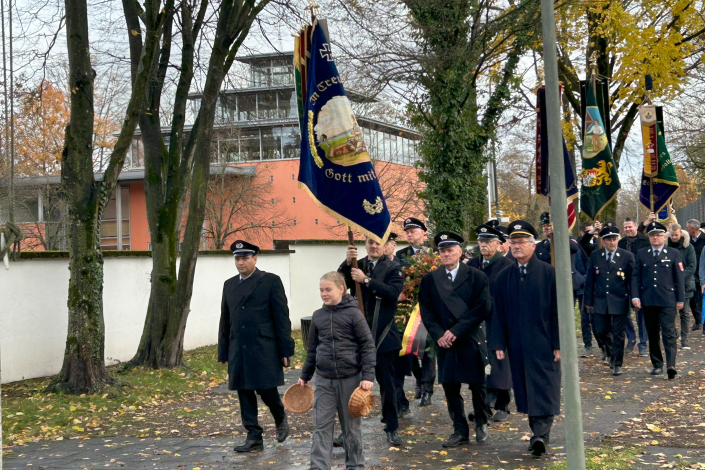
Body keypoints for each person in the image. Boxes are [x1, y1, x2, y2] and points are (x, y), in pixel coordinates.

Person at [489, 220, 561, 458]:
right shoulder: (504, 276)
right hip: (517, 343)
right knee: (526, 388)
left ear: (533, 245)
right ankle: (538, 433)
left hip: (545, 342)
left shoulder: (550, 273)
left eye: (521, 242)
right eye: (513, 242)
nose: (516, 246)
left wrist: (559, 344)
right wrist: (498, 343)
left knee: (544, 386)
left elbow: (558, 311)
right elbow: (497, 313)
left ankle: (540, 435)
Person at [218, 240, 296, 453]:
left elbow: (282, 317)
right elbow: (225, 319)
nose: (240, 262)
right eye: (237, 258)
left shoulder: (270, 281)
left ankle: (280, 416)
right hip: (238, 347)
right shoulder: (229, 284)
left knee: (266, 389)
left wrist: (286, 349)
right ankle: (253, 436)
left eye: (244, 258)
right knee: (243, 392)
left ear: (254, 259)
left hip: (263, 346)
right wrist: (223, 350)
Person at [419, 231, 491, 447]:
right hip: (445, 342)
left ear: (460, 252)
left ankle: (481, 422)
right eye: (442, 251)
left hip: (469, 338)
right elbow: (427, 311)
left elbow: (482, 307)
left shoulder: (477, 276)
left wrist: (457, 330)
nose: (446, 254)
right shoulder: (430, 280)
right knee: (451, 387)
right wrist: (439, 334)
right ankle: (460, 430)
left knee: (477, 384)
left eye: (450, 250)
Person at [299, 272, 376, 470]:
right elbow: (312, 348)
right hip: (324, 380)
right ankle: (318, 466)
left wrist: (367, 376)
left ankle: (355, 465)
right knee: (321, 426)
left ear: (341, 289)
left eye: (328, 289)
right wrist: (305, 375)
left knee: (351, 428)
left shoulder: (354, 314)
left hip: (351, 379)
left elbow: (367, 345)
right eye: (321, 290)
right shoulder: (318, 316)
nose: (324, 294)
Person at [339, 237, 404, 446]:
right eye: (370, 243)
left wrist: (366, 280)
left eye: (378, 243)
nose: (374, 247)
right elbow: (339, 284)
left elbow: (393, 293)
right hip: (357, 336)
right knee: (350, 386)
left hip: (383, 335)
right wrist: (347, 263)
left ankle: (392, 428)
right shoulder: (358, 265)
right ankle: (347, 431)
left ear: (385, 246)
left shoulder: (393, 267)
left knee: (388, 385)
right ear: (365, 245)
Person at [469, 222, 515, 422]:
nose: (484, 245)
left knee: (500, 363)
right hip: (477, 322)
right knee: (481, 363)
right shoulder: (472, 265)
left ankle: (503, 405)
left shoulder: (507, 266)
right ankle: (484, 406)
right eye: (481, 241)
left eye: (488, 241)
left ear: (498, 244)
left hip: (499, 320)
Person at [631, 221, 685, 380]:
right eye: (652, 235)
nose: (655, 238)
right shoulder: (642, 253)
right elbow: (636, 277)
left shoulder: (673, 253)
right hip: (648, 300)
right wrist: (635, 296)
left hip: (668, 299)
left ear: (664, 237)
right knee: (652, 333)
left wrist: (680, 299)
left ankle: (671, 365)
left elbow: (679, 278)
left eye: (659, 235)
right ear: (649, 237)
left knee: (668, 333)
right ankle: (657, 364)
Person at [536, 212, 593, 354]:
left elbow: (574, 249)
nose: (547, 228)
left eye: (550, 225)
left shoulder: (568, 240)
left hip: (570, 285)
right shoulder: (541, 246)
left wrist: (559, 235)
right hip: (548, 286)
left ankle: (577, 344)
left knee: (574, 316)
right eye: (545, 226)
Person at [583, 224, 635, 376]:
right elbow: (590, 279)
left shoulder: (626, 256)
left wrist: (634, 298)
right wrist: (588, 300)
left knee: (619, 333)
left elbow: (632, 280)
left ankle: (617, 363)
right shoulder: (596, 255)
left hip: (620, 299)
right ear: (603, 241)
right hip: (600, 300)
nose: (612, 243)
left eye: (614, 239)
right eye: (608, 240)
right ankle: (611, 352)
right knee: (600, 331)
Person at [396, 217, 437, 407]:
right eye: (407, 231)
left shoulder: (434, 254)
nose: (410, 234)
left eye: (413, 230)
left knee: (428, 349)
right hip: (408, 308)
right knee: (409, 346)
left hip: (429, 308)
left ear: (424, 233)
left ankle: (428, 389)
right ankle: (419, 379)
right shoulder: (401, 255)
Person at [619, 217, 651, 356]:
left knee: (641, 314)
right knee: (624, 313)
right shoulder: (620, 243)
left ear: (636, 226)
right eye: (625, 227)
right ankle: (631, 338)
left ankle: (643, 343)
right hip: (624, 282)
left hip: (641, 282)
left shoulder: (645, 241)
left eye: (630, 227)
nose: (628, 229)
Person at [667, 223, 696, 350]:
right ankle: (673, 335)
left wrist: (679, 277)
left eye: (676, 235)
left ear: (680, 233)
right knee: (670, 313)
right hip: (669, 284)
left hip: (685, 284)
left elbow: (692, 266)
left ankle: (685, 339)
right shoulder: (665, 246)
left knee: (684, 313)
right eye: (672, 235)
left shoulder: (688, 247)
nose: (674, 237)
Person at [686, 219, 704, 331]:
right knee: (692, 299)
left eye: (687, 228)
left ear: (693, 229)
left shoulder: (704, 239)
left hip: (701, 273)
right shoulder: (687, 241)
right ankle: (698, 321)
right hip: (692, 274)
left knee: (702, 298)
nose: (686, 229)